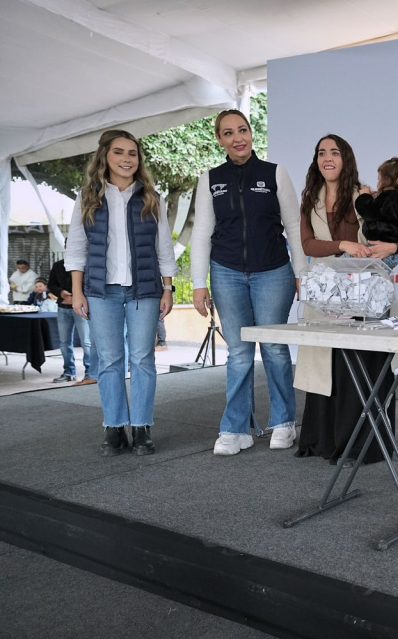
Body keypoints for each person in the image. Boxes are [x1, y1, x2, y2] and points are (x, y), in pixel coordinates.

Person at [293, 139, 398, 464]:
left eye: (334, 152)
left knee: (362, 367)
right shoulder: (310, 199)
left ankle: (362, 445)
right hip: (325, 296)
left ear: (346, 158)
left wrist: (394, 248)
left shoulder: (364, 195)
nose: (327, 158)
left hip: (364, 294)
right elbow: (308, 245)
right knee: (328, 369)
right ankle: (323, 441)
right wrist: (343, 245)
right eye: (321, 152)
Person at [191, 109, 305, 457]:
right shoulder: (211, 178)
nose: (237, 137)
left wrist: (301, 274)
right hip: (226, 272)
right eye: (228, 133)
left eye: (243, 130)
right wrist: (198, 283)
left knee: (273, 347)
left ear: (252, 133)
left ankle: (284, 422)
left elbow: (294, 226)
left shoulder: (275, 173)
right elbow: (201, 233)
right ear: (219, 140)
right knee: (239, 352)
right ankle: (236, 428)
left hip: (273, 271)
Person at [66, 129, 176, 456]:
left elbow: (164, 249)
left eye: (132, 153)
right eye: (119, 152)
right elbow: (77, 248)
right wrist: (78, 291)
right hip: (101, 291)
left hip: (145, 290)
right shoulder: (87, 197)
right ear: (105, 157)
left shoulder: (151, 198)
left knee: (143, 359)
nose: (127, 159)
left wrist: (168, 288)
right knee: (110, 360)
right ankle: (114, 427)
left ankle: (141, 427)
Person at [46, 259, 97, 384]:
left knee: (86, 342)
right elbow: (51, 285)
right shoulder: (58, 265)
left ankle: (90, 373)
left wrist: (76, 297)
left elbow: (91, 284)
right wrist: (61, 293)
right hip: (63, 306)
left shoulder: (86, 263)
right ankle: (69, 372)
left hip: (81, 307)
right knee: (64, 342)